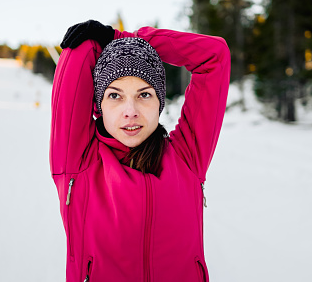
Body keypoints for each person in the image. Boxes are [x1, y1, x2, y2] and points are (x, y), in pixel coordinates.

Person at [50, 20, 230, 281]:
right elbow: (79, 47)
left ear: (160, 103)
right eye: (115, 96)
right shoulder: (79, 162)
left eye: (144, 95)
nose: (130, 111)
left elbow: (215, 54)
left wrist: (125, 38)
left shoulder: (187, 157)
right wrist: (109, 41)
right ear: (98, 106)